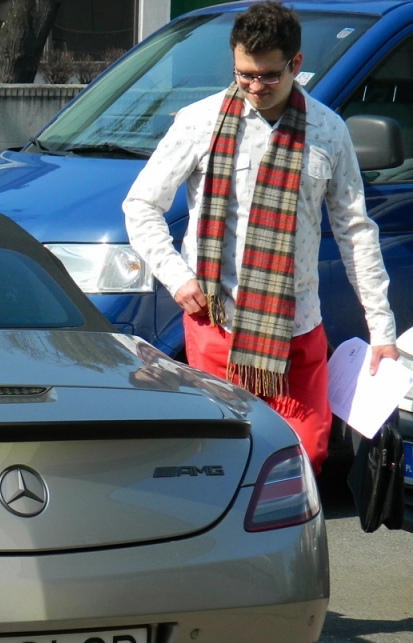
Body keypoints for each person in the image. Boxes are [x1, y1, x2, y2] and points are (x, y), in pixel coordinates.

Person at [123, 0, 398, 473]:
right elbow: (140, 205)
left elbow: (355, 231)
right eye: (243, 74)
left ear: (295, 64)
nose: (254, 87)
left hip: (298, 329)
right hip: (217, 325)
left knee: (304, 456)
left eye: (268, 76)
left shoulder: (327, 130)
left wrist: (382, 330)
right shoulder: (199, 122)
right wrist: (177, 276)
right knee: (223, 459)